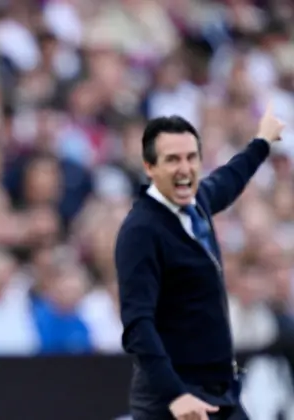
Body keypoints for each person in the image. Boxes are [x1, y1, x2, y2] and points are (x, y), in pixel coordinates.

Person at [114, 107, 285, 419]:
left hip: (219, 391)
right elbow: (138, 325)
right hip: (174, 400)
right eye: (172, 159)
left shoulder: (196, 204)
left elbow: (228, 179)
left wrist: (262, 140)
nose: (185, 169)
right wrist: (175, 396)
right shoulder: (141, 231)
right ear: (149, 167)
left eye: (191, 158)